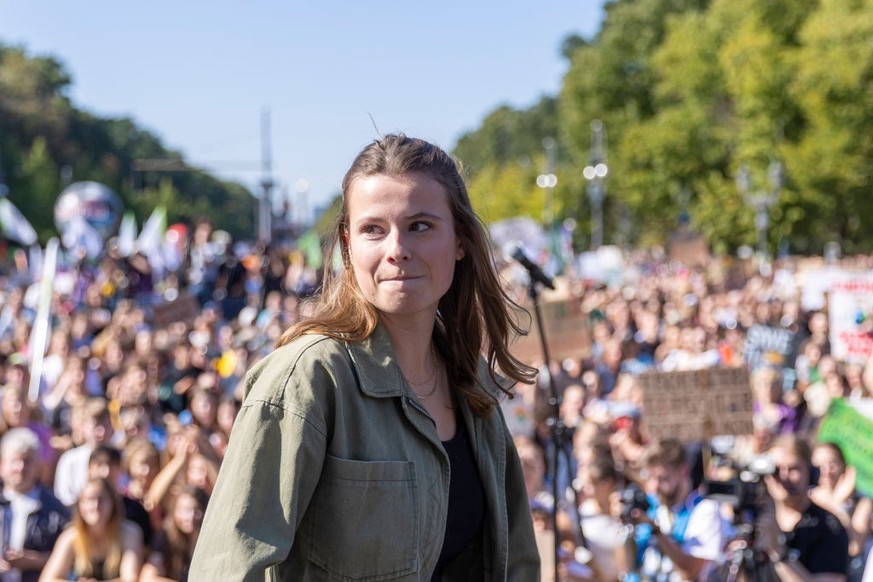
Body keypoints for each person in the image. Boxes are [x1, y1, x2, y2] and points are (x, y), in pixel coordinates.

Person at [189, 134, 540, 580]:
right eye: (374, 229)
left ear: (461, 241)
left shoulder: (471, 380)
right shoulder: (308, 379)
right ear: (348, 245)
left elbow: (517, 560)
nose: (396, 248)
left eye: (420, 226)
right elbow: (229, 566)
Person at [622, 437, 729, 582]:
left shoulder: (705, 509)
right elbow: (624, 567)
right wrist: (625, 525)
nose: (654, 487)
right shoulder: (651, 505)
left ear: (683, 471)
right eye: (651, 478)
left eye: (662, 479)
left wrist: (656, 531)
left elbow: (690, 572)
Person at [758, 434, 849, 581]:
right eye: (776, 470)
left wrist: (779, 552)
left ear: (812, 473)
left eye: (793, 469)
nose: (784, 476)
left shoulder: (828, 527)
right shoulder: (755, 520)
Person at [38, 477, 143, 582]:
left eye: (101, 499)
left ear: (113, 503)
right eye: (89, 499)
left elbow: (131, 579)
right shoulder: (71, 536)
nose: (96, 506)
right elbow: (47, 579)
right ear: (80, 505)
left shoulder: (129, 533)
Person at [0, 427, 70, 582]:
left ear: (38, 466)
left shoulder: (55, 511)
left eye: (27, 461)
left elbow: (74, 556)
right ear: (2, 465)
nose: (20, 467)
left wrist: (35, 560)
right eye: (15, 461)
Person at [140, 485, 208, 582]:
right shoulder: (165, 537)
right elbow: (148, 577)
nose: (191, 516)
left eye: (197, 510)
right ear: (175, 510)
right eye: (186, 510)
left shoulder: (209, 540)